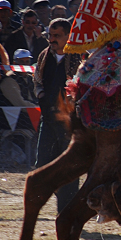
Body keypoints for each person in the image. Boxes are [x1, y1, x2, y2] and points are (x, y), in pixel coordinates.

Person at [33, 18, 81, 211]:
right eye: (50, 35)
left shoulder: (79, 58)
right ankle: (37, 205)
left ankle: (67, 211)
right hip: (48, 119)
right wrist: (41, 95)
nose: (52, 39)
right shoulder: (44, 56)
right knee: (42, 163)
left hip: (70, 122)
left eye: (57, 36)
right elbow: (37, 81)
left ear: (68, 36)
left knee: (69, 166)